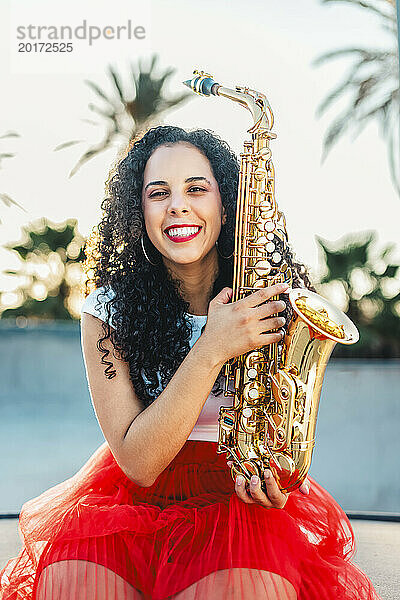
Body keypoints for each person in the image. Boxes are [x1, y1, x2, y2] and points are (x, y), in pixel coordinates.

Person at [0, 126, 381, 600]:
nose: (177, 205)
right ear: (139, 213)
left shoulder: (273, 303)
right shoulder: (107, 312)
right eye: (158, 193)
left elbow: (284, 429)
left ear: (229, 205)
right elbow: (139, 462)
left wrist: (279, 477)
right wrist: (212, 347)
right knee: (73, 582)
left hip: (237, 502)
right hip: (128, 500)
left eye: (196, 188)